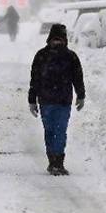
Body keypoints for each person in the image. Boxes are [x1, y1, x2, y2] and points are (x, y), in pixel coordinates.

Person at [28, 23, 85, 176]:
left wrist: (81, 95)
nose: (57, 42)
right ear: (50, 39)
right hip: (48, 101)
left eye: (60, 39)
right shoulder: (44, 56)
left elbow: (77, 77)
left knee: (59, 131)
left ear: (65, 40)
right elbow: (34, 79)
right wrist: (32, 100)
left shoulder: (68, 56)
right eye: (55, 39)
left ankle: (57, 162)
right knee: (51, 131)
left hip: (61, 101)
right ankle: (53, 161)